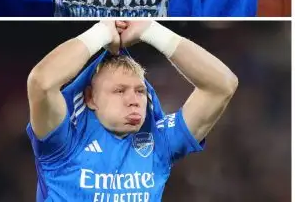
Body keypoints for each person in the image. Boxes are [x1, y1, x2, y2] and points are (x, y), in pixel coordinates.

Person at [26, 20, 238, 201]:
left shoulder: (159, 141)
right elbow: (41, 82)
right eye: (119, 91)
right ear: (90, 98)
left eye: (140, 91)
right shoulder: (64, 141)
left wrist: (152, 30)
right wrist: (101, 33)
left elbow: (222, 85)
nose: (134, 100)